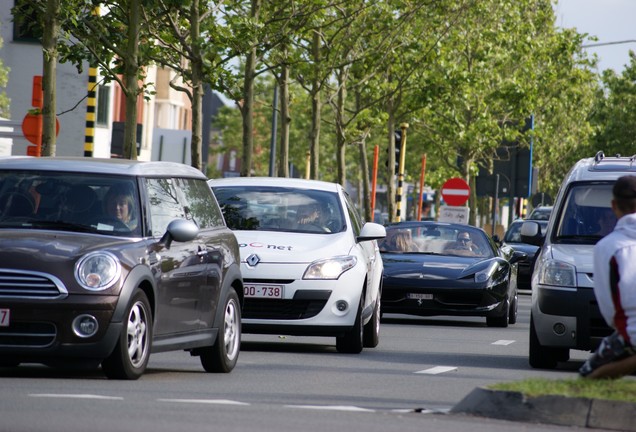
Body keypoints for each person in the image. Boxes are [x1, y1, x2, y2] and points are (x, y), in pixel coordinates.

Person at [579, 175, 636, 379]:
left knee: (589, 375)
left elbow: (610, 312)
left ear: (613, 205)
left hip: (631, 334)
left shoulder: (607, 247)